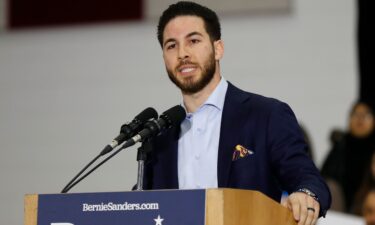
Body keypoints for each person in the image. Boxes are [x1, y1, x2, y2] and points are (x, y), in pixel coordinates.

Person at [143, 2, 331, 225]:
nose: (183, 53)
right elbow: (145, 204)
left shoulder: (266, 115)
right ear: (164, 57)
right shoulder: (159, 137)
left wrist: (305, 194)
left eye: (193, 41)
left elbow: (307, 178)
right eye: (171, 45)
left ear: (218, 49)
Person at [321, 102, 375, 212]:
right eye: (356, 114)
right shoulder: (340, 146)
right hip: (339, 212)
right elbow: (324, 176)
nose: (360, 119)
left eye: (366, 115)